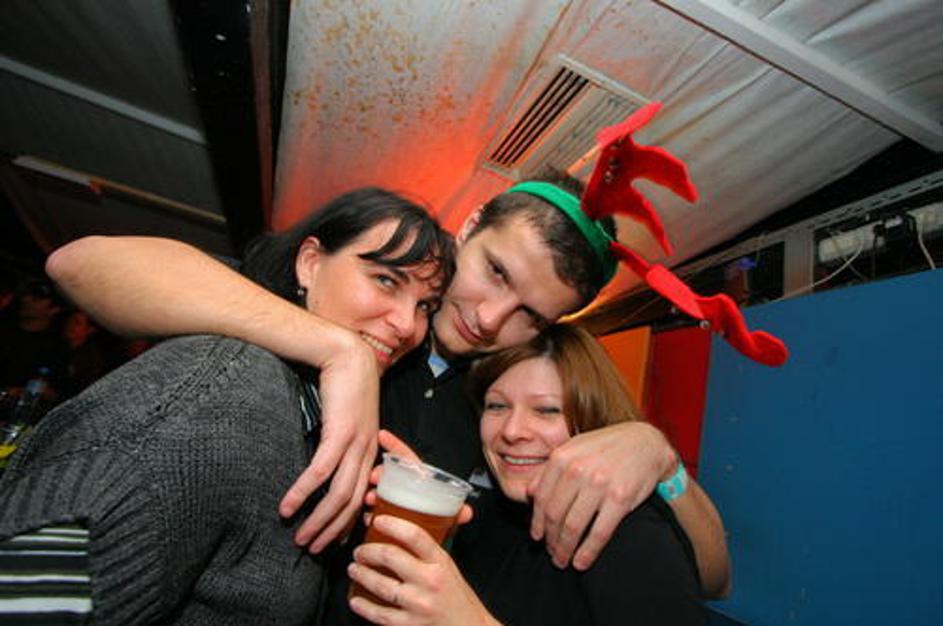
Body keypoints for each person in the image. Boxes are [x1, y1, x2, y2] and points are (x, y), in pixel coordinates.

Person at [45, 172, 732, 598]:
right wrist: (339, 351)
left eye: (529, 313)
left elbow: (712, 578)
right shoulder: (352, 309)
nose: (490, 319)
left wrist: (658, 457)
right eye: (495, 272)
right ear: (471, 226)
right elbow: (80, 264)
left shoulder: (505, 406)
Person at [0, 188, 454, 624]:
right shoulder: (231, 383)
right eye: (386, 280)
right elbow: (29, 594)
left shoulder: (307, 410)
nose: (406, 325)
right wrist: (343, 348)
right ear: (311, 263)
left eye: (425, 307)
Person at [348, 324, 706, 625]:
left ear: (591, 417)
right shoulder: (489, 513)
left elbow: (717, 579)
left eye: (546, 410)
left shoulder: (628, 532)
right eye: (497, 406)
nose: (513, 431)